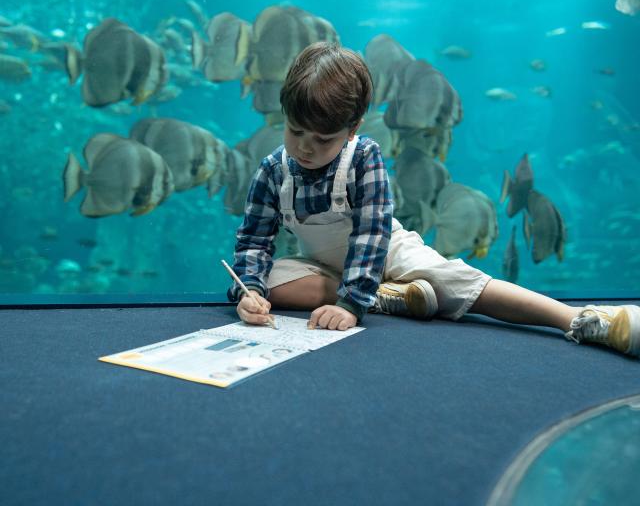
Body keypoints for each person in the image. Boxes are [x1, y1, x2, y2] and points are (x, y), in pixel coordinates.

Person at [227, 42, 640, 357]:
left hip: (386, 254)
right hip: (323, 268)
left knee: (459, 284)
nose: (305, 148)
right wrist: (251, 291)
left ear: (352, 129)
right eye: (295, 131)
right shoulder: (272, 170)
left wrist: (351, 305)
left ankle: (582, 319)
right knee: (270, 276)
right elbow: (253, 242)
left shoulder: (364, 156)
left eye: (323, 139)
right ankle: (388, 297)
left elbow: (372, 234)